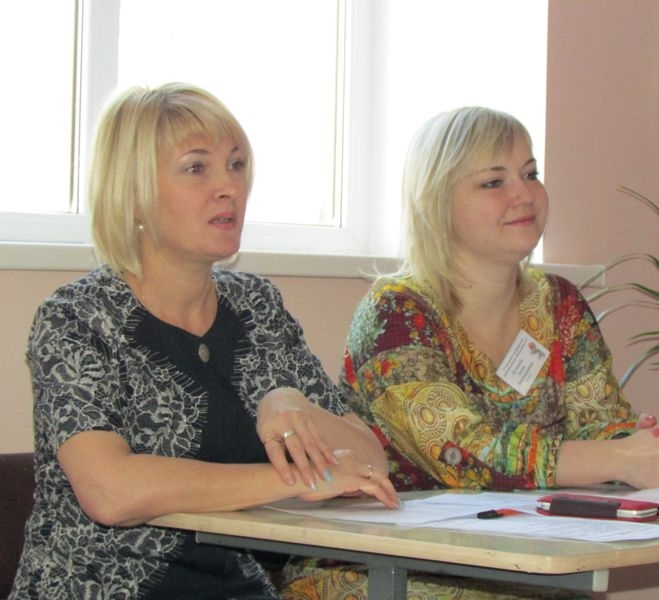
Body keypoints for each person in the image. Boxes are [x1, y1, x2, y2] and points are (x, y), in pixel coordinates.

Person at [280, 106, 659, 599]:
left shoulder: (560, 303)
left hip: (523, 557)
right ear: (437, 203)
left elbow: (599, 422)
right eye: (493, 182)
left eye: (531, 174)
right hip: (383, 567)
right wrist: (619, 457)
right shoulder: (395, 313)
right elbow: (462, 453)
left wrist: (654, 445)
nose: (524, 194)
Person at [10, 82, 399, 600]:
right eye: (197, 168)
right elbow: (110, 492)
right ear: (134, 192)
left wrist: (291, 401)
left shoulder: (257, 305)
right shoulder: (77, 317)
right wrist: (296, 479)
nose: (229, 187)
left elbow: (370, 462)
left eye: (236, 165)